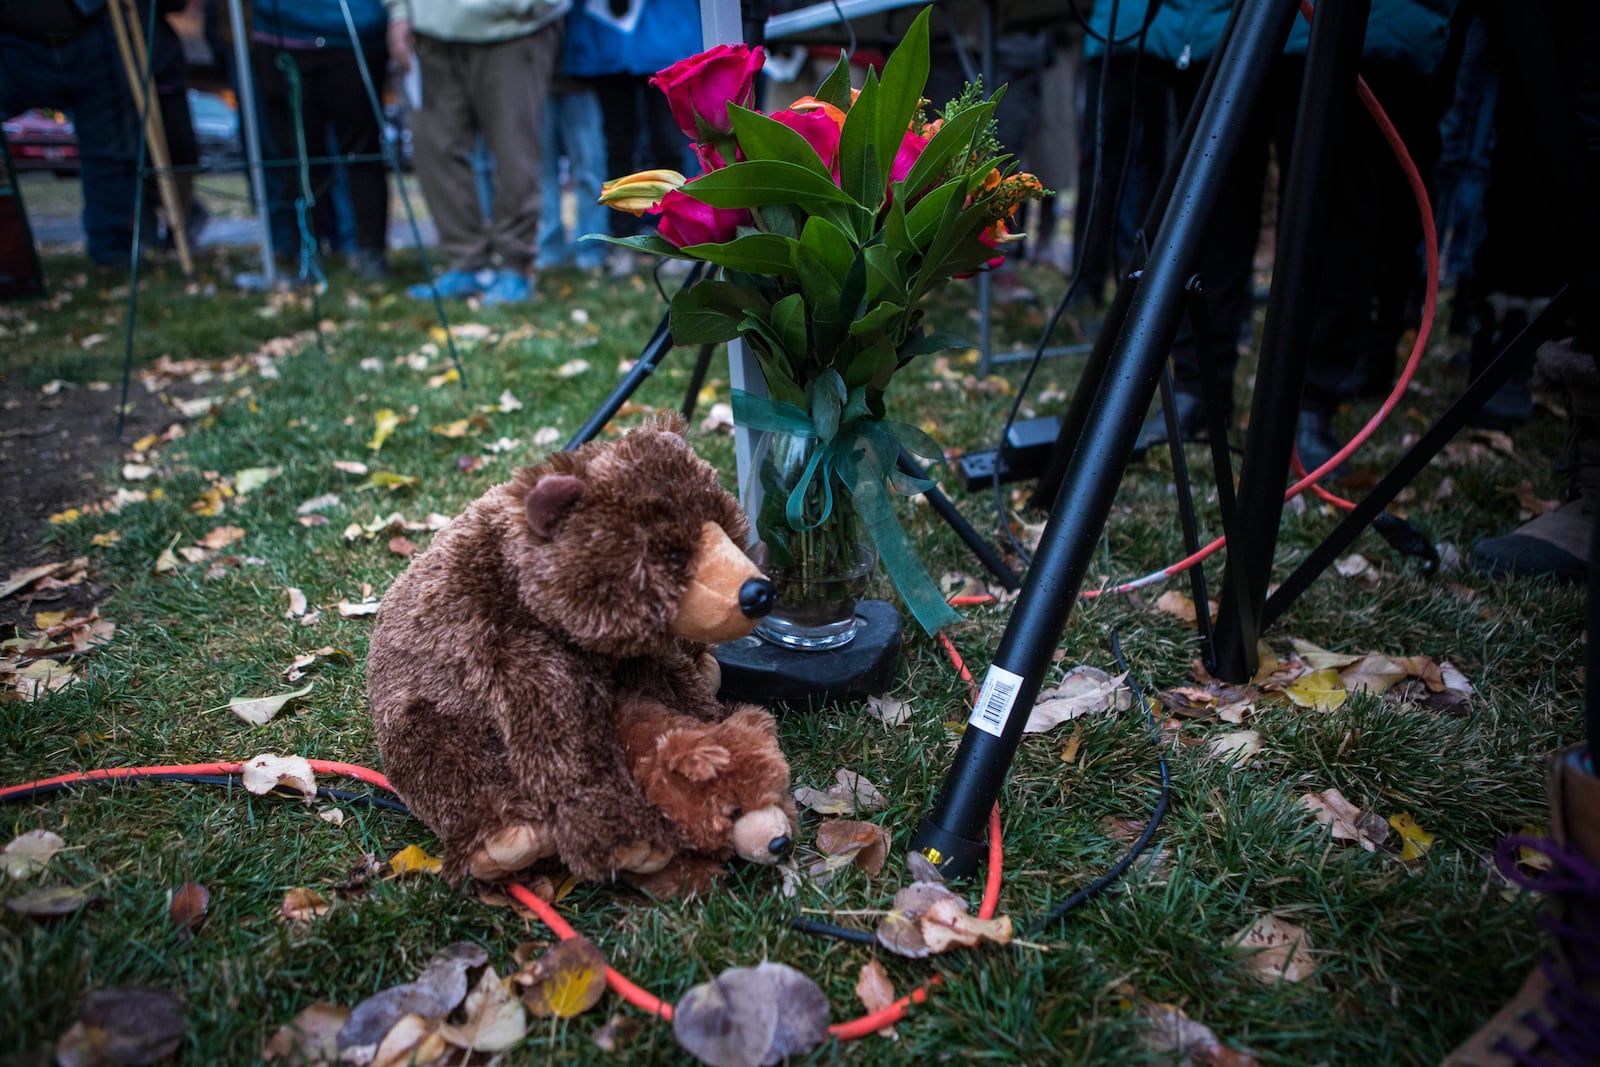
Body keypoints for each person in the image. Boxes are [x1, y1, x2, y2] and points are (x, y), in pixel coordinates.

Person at [1094, 0, 1457, 480]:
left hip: (1344, 25)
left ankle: (1311, 401)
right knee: (1207, 211)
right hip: (1216, 22)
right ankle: (1198, 388)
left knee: (1331, 216)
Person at [388, 0, 570, 305]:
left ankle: (516, 265)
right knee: (434, 149)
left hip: (514, 31)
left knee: (515, 153)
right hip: (431, 31)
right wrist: (400, 12)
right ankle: (466, 262)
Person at [250, 0, 391, 281]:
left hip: (354, 35)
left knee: (362, 152)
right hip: (283, 37)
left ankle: (370, 254)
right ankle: (307, 253)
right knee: (298, 156)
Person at [563, 0, 701, 277]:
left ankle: (677, 238)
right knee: (618, 146)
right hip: (606, 38)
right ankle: (623, 241)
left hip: (665, 31)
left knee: (669, 144)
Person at [0, 0, 142, 268]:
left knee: (110, 152)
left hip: (90, 30)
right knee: (108, 151)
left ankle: (113, 253)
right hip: (14, 39)